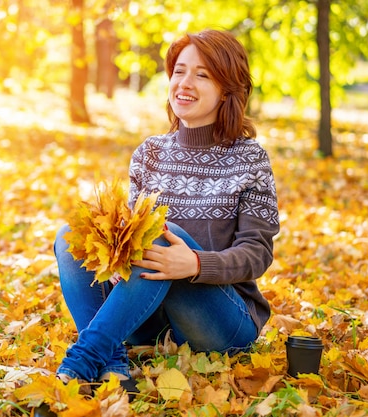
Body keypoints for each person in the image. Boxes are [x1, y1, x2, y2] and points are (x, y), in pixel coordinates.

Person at [53, 29, 279, 393]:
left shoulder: (249, 158)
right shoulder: (150, 153)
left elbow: (258, 253)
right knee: (72, 236)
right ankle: (113, 366)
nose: (185, 83)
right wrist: (116, 262)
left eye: (202, 75)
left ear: (227, 89)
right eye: (179, 71)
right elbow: (125, 240)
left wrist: (196, 265)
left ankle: (82, 362)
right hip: (149, 321)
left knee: (155, 231)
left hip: (220, 322)